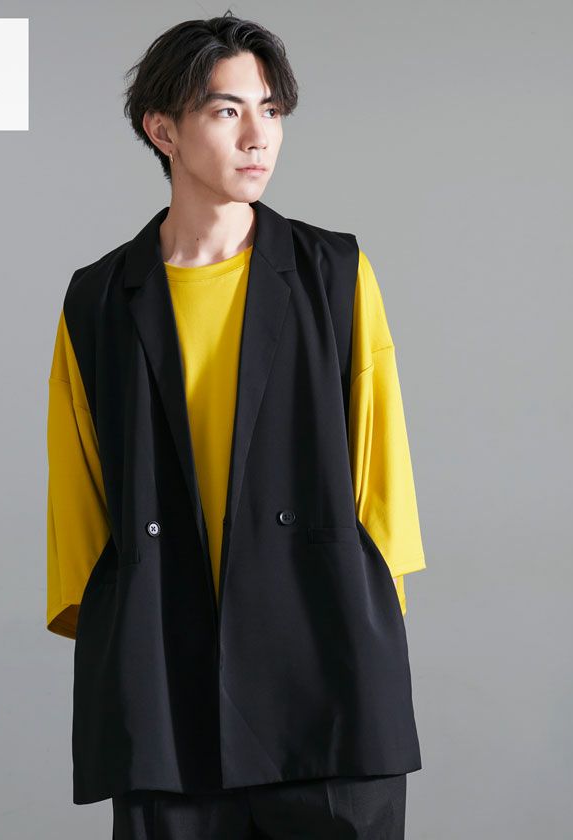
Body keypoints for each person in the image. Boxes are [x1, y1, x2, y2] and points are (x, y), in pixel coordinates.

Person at [46, 11, 427, 839]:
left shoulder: (333, 272)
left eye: (271, 110)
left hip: (326, 667)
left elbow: (381, 467)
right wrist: (115, 639)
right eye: (227, 111)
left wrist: (366, 618)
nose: (258, 136)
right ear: (163, 130)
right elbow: (80, 494)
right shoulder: (99, 299)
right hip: (165, 676)